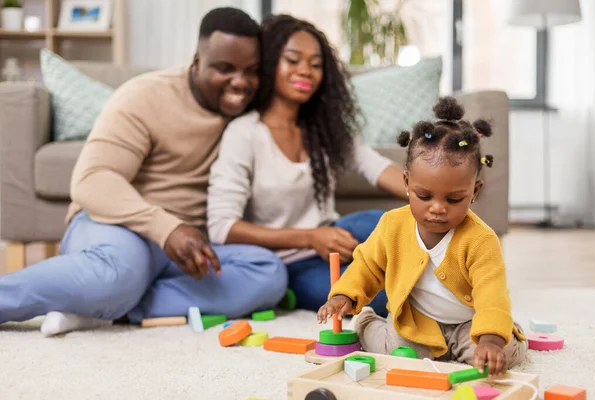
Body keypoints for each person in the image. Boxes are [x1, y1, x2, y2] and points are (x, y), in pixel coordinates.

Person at [0, 7, 288, 336]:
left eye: (251, 71)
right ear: (196, 62)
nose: (241, 82)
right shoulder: (145, 96)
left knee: (268, 273)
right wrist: (165, 227)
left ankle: (104, 309)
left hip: (189, 248)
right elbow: (92, 180)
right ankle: (101, 295)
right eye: (225, 69)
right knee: (118, 275)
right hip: (118, 228)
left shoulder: (254, 106)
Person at [206, 14, 407, 317]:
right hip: (291, 261)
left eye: (315, 64)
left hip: (336, 234)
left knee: (393, 225)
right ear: (271, 63)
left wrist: (431, 197)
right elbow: (222, 227)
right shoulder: (244, 133)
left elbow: (375, 166)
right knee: (376, 300)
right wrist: (310, 238)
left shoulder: (324, 127)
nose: (306, 71)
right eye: (293, 60)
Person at [317, 96, 528, 376]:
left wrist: (490, 339)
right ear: (406, 183)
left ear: (474, 191)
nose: (438, 209)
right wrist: (344, 294)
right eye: (424, 196)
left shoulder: (481, 240)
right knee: (398, 351)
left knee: (503, 355)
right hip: (417, 323)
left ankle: (505, 332)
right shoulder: (392, 225)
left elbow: (492, 293)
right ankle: (369, 322)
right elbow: (367, 266)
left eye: (454, 199)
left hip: (469, 325)